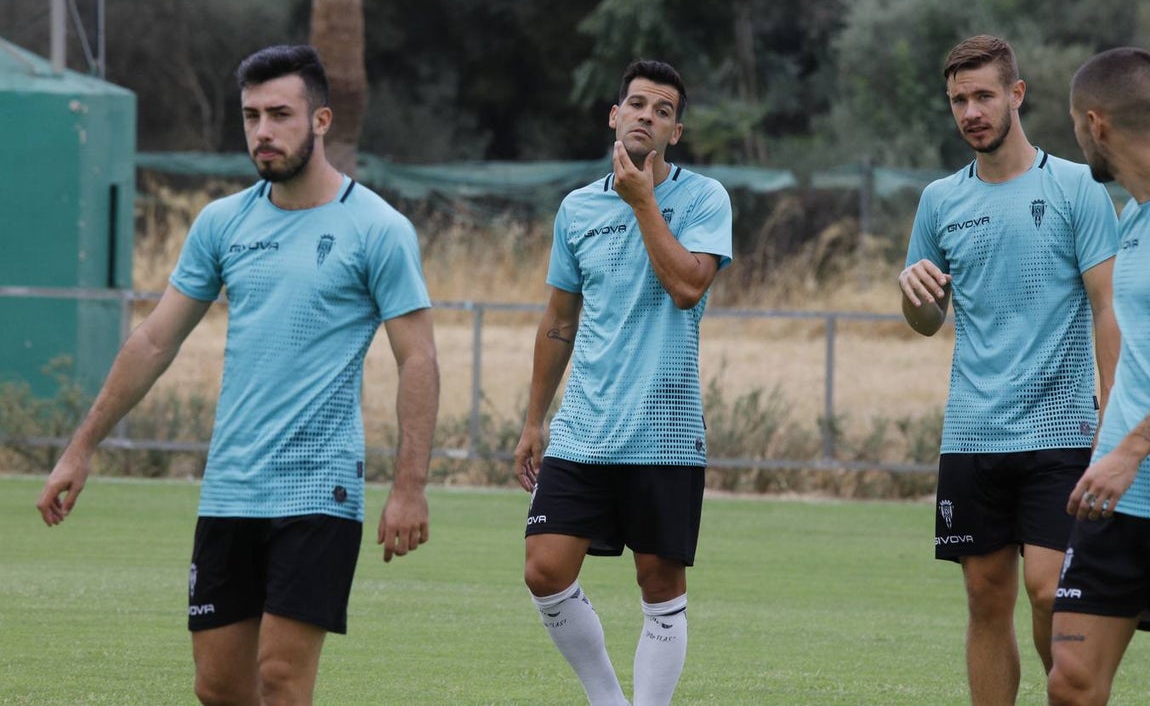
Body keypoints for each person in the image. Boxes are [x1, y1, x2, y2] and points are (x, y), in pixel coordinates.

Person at [35, 44, 440, 706]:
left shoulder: (377, 229)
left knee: (281, 679)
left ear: (321, 121)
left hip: (319, 491)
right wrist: (81, 448)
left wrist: (410, 487)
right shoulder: (222, 223)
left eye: (280, 114)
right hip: (231, 489)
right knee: (219, 688)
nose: (262, 131)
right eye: (251, 115)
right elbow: (154, 340)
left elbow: (417, 357)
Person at [898, 35, 1120, 706]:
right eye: (959, 99)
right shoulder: (939, 201)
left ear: (1016, 95)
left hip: (1060, 431)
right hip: (971, 434)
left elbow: (1108, 308)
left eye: (984, 95)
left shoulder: (1076, 187)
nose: (971, 111)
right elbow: (927, 321)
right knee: (984, 597)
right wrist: (915, 300)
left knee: (1051, 588)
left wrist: (1111, 424)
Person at [513, 59, 732, 706]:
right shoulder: (577, 208)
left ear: (676, 131)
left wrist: (643, 203)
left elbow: (689, 286)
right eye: (636, 104)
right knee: (544, 569)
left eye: (662, 110)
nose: (647, 115)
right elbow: (559, 320)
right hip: (583, 428)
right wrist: (533, 419)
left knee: (659, 585)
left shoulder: (704, 199)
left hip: (664, 429)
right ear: (615, 115)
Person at [1047, 47, 1150, 706]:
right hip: (1116, 499)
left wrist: (1133, 449)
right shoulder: (1133, 218)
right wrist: (1108, 446)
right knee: (1072, 682)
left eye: (1074, 125)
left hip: (1130, 465)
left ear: (1096, 124)